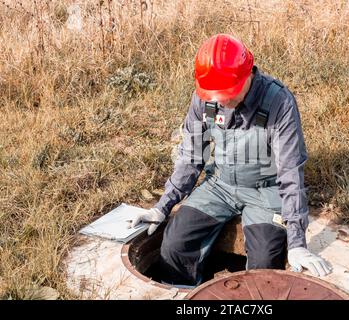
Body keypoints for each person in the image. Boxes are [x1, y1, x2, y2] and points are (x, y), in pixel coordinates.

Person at [132, 33, 332, 286]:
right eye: (215, 95)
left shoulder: (278, 103)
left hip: (266, 192)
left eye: (228, 93)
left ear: (248, 74)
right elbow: (191, 157)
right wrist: (161, 207)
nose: (221, 101)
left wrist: (297, 243)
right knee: (175, 244)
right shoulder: (205, 99)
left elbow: (290, 173)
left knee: (265, 264)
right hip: (220, 185)